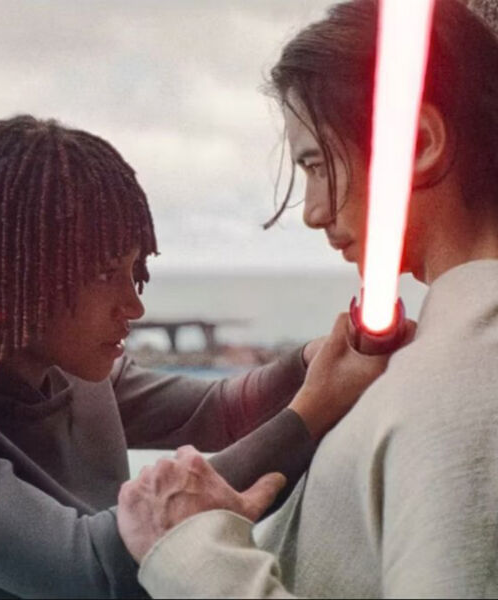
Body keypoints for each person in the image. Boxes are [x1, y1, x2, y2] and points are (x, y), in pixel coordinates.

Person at [0, 115, 392, 598]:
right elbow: (86, 566)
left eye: (133, 270)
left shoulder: (77, 376)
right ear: (6, 285)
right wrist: (314, 409)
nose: (134, 306)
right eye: (104, 275)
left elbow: (220, 410)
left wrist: (310, 361)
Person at [116, 0, 498, 597]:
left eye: (317, 165)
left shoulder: (463, 380)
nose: (313, 212)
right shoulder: (450, 361)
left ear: (420, 143)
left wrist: (195, 555)